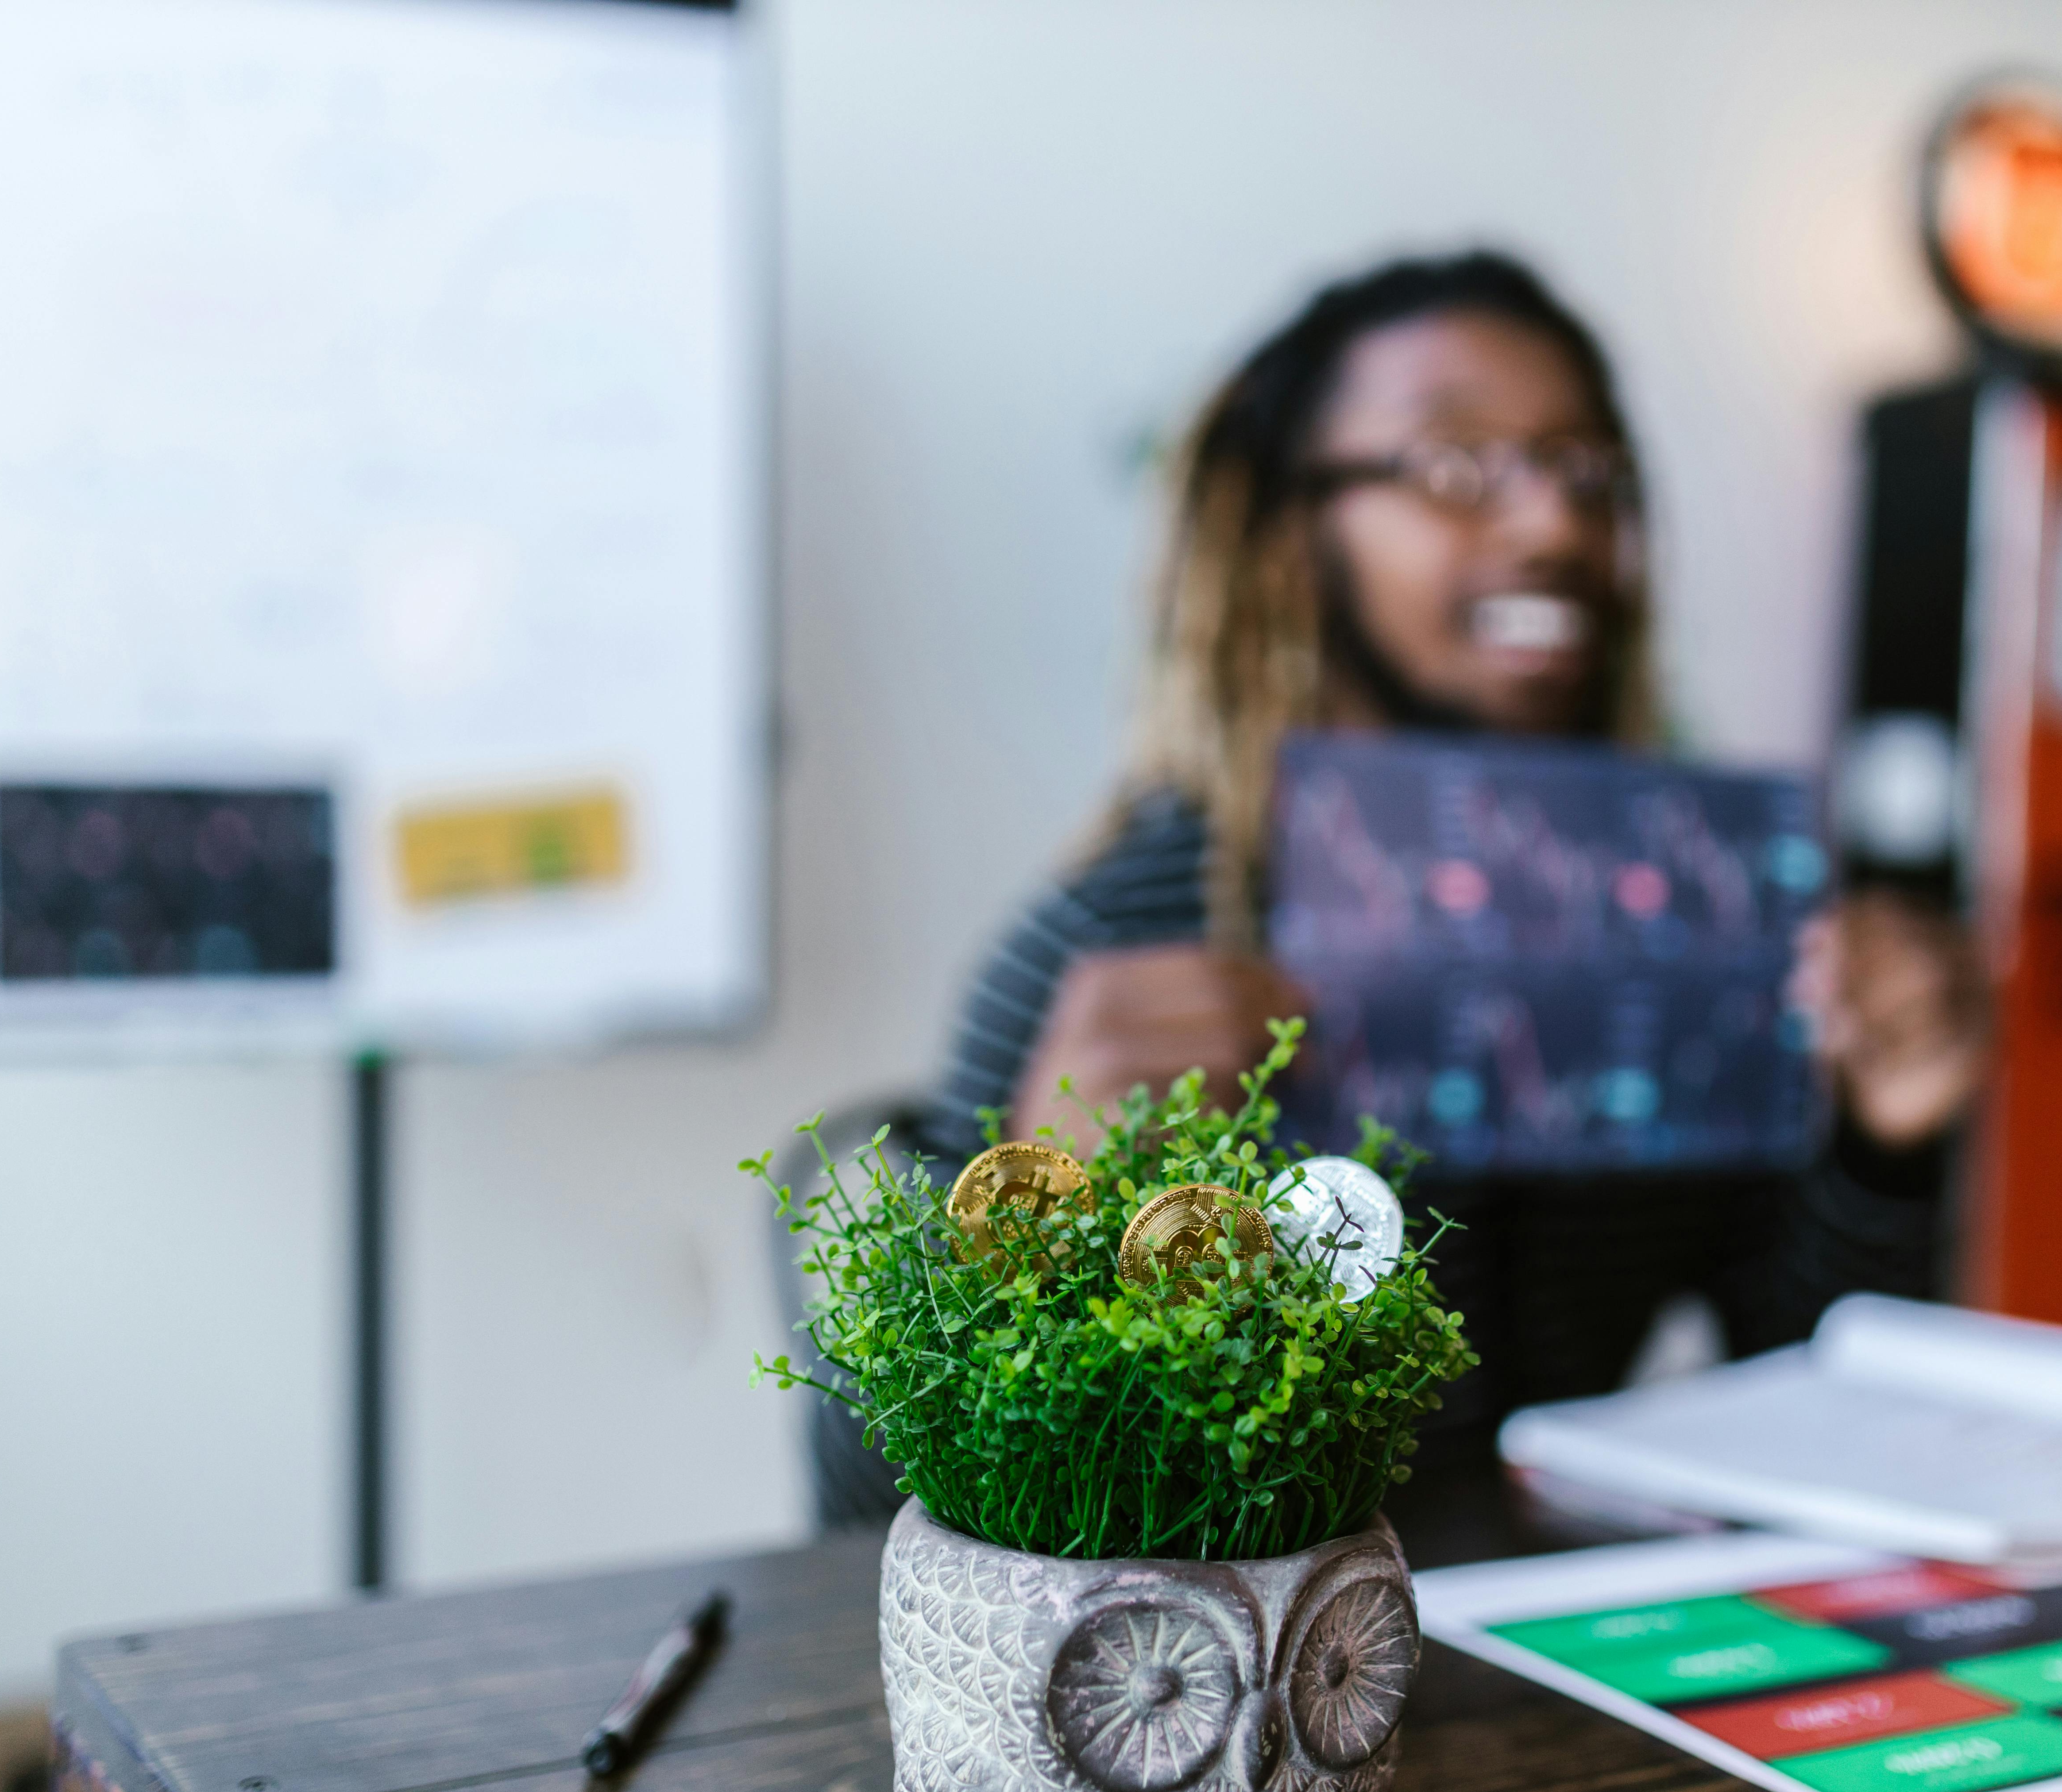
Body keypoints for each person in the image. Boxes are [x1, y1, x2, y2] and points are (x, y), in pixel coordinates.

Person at [826, 250, 1986, 1527]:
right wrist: (1041, 1212)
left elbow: (1796, 1386)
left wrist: (1885, 1149)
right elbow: (872, 1511)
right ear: (1289, 535)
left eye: (1588, 474)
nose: (1554, 525)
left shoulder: (1682, 931)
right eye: (1455, 467)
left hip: (1559, 1669)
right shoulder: (1121, 942)